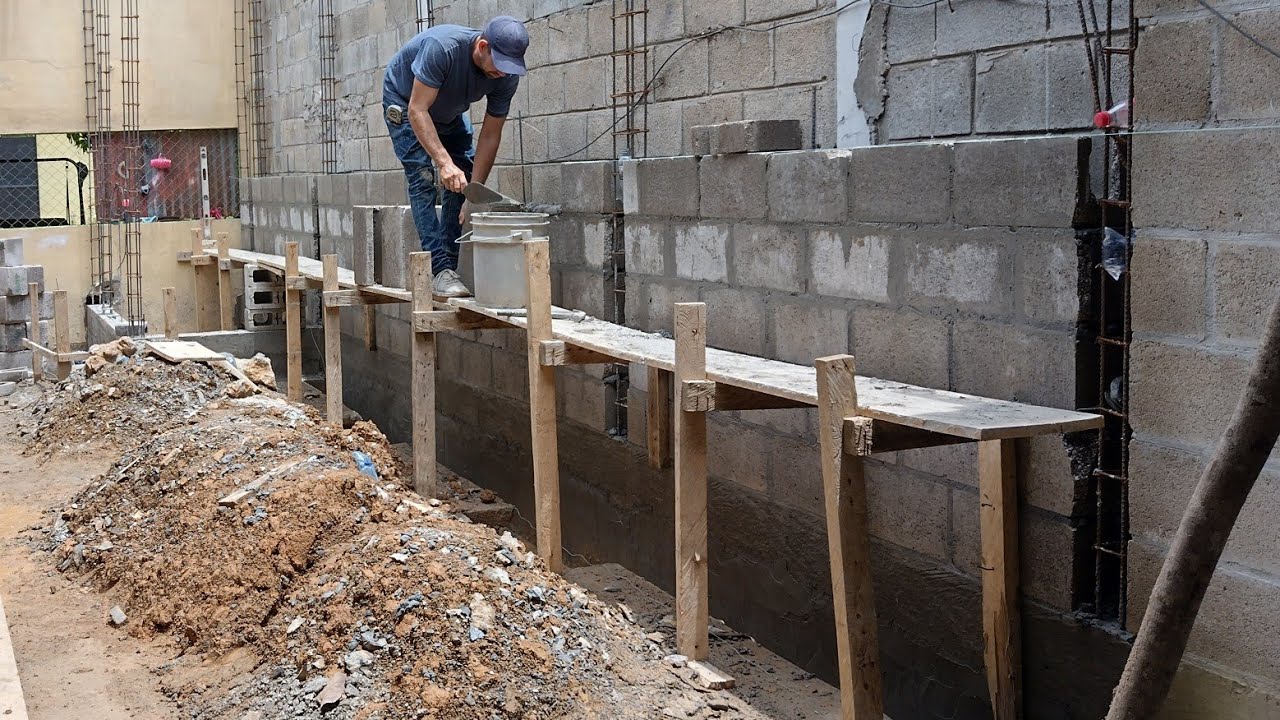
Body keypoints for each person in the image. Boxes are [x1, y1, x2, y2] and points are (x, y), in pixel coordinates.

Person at [382, 16, 529, 297]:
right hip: (405, 102)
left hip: (447, 112)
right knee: (423, 178)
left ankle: (449, 267)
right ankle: (438, 269)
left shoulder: (506, 76)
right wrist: (443, 163)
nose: (503, 73)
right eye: (500, 65)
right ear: (482, 47)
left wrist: (474, 192)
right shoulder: (442, 49)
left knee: (464, 175)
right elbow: (417, 110)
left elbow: (490, 135)